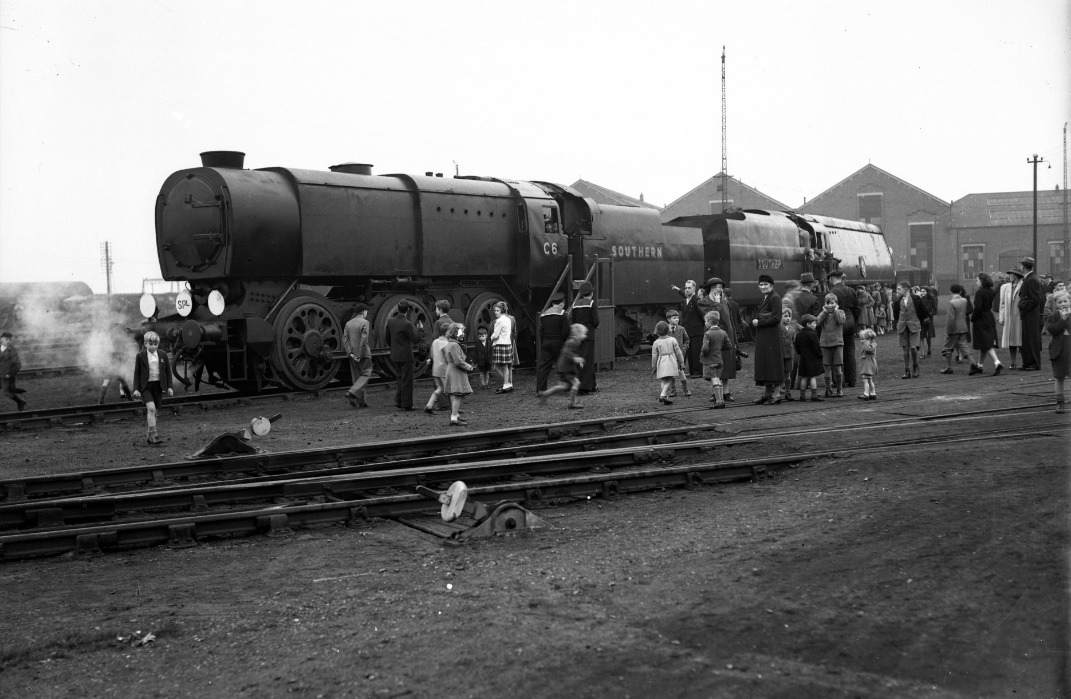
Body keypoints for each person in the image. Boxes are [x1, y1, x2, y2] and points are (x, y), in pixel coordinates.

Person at [132, 331, 173, 444]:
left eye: (155, 344)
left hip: (158, 386)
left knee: (155, 412)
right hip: (145, 386)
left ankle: (149, 436)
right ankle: (154, 434)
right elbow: (137, 373)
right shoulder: (140, 356)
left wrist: (169, 387)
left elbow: (168, 372)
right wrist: (135, 388)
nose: (153, 347)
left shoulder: (163, 354)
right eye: (151, 344)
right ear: (145, 344)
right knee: (151, 408)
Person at [702, 278, 738, 401]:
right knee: (714, 364)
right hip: (713, 337)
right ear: (711, 288)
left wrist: (735, 341)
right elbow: (712, 317)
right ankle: (715, 392)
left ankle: (726, 392)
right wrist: (717, 303)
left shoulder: (725, 302)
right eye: (718, 286)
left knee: (726, 364)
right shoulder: (703, 302)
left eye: (721, 287)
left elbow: (731, 321)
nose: (721, 289)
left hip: (727, 336)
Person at [751, 274, 785, 404]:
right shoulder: (767, 297)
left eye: (766, 284)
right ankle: (767, 394)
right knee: (767, 364)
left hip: (771, 337)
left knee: (773, 365)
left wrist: (760, 322)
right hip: (766, 337)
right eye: (761, 284)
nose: (763, 287)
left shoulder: (775, 298)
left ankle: (776, 395)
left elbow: (777, 318)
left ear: (771, 286)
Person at [386, 300, 425, 410]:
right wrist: (421, 329)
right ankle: (407, 405)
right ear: (408, 310)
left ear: (398, 309)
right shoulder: (407, 323)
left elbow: (387, 339)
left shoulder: (390, 321)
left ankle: (399, 401)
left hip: (395, 355)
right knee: (407, 380)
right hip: (406, 355)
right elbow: (416, 339)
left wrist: (394, 347)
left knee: (399, 378)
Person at [538, 323, 586, 409]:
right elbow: (567, 352)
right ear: (577, 334)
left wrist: (576, 359)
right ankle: (572, 403)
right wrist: (576, 359)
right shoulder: (572, 342)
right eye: (583, 334)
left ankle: (545, 394)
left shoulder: (574, 341)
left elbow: (569, 353)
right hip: (566, 368)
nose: (585, 336)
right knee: (576, 383)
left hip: (563, 367)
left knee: (563, 386)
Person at [827, 269, 859, 386]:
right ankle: (852, 380)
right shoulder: (851, 290)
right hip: (850, 321)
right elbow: (857, 309)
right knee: (850, 351)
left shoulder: (832, 292)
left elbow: (829, 310)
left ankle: (838, 380)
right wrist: (852, 320)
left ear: (831, 279)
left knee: (837, 352)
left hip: (838, 322)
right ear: (841, 278)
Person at [893, 281, 930, 379]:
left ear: (905, 289)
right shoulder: (897, 302)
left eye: (899, 289)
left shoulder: (916, 299)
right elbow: (896, 315)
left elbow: (925, 312)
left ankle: (915, 366)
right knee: (905, 349)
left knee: (913, 347)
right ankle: (907, 371)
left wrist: (918, 321)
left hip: (914, 326)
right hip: (902, 326)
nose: (897, 291)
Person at [939, 284, 977, 375]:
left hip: (953, 329)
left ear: (950, 291)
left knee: (947, 347)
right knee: (963, 346)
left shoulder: (951, 303)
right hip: (963, 326)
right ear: (960, 291)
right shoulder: (964, 300)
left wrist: (948, 331)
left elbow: (950, 319)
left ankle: (949, 367)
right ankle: (973, 363)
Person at [670, 279, 705, 377]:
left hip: (697, 330)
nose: (687, 290)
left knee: (696, 352)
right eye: (685, 288)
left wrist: (701, 326)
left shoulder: (697, 300)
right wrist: (678, 289)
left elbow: (702, 315)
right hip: (688, 330)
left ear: (694, 288)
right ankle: (693, 371)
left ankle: (698, 372)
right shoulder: (686, 300)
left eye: (689, 288)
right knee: (690, 353)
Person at [441, 324, 474, 426]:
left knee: (453, 394)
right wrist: (469, 366)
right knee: (458, 395)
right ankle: (454, 417)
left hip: (451, 370)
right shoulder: (455, 345)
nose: (463, 333)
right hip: (456, 371)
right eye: (461, 331)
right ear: (456, 333)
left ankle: (455, 414)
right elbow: (458, 361)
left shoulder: (449, 344)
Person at [536, 293, 569, 393]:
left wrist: (543, 343)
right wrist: (563, 342)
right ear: (562, 303)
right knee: (563, 364)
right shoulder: (562, 314)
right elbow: (566, 331)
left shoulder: (544, 314)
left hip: (546, 342)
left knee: (543, 367)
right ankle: (564, 387)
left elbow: (541, 331)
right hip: (558, 342)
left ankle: (540, 389)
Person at [971, 272, 1003, 375]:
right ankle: (980, 366)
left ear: (981, 281)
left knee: (986, 343)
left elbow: (978, 308)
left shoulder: (980, 292)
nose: (976, 281)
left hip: (981, 319)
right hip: (989, 317)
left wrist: (973, 318)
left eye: (977, 280)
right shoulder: (991, 291)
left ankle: (997, 362)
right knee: (985, 343)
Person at [570, 282, 599, 392]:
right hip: (589, 335)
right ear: (591, 293)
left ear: (582, 294)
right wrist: (595, 325)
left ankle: (592, 384)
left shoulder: (575, 304)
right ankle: (584, 386)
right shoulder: (592, 303)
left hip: (578, 335)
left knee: (581, 359)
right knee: (588, 360)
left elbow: (574, 321)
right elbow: (596, 321)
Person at [1045, 291, 1071, 413]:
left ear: (1069, 301)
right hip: (1058, 349)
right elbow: (1052, 330)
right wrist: (1063, 319)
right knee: (1059, 377)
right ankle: (1060, 402)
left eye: (1065, 301)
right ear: (1056, 304)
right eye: (1060, 302)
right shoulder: (1052, 317)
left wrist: (1067, 317)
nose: (1063, 304)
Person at [816, 293, 846, 397]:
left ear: (836, 304)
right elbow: (817, 322)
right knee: (826, 367)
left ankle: (839, 388)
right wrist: (824, 312)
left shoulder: (840, 312)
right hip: (825, 344)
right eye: (827, 303)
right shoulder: (823, 313)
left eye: (832, 303)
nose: (829, 305)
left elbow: (841, 321)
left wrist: (836, 310)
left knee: (837, 368)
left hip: (837, 343)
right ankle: (828, 389)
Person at [342, 303, 372, 408]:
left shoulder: (348, 323)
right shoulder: (365, 322)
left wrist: (350, 353)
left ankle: (361, 402)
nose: (367, 313)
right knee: (366, 374)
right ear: (363, 311)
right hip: (363, 354)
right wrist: (360, 354)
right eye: (366, 311)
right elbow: (364, 340)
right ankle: (352, 392)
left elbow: (345, 339)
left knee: (357, 378)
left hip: (352, 354)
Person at [701, 310, 731, 408]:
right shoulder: (723, 332)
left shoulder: (708, 334)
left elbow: (705, 348)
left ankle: (718, 401)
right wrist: (719, 348)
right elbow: (729, 345)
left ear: (709, 321)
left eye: (705, 321)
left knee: (714, 380)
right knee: (718, 379)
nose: (705, 323)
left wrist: (703, 354)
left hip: (710, 361)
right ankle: (721, 399)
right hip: (719, 360)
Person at [651, 320, 685, 405]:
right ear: (668, 330)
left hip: (661, 361)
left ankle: (665, 396)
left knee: (663, 379)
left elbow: (654, 356)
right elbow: (678, 352)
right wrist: (681, 362)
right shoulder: (673, 340)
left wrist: (654, 366)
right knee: (670, 379)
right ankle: (663, 395)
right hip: (671, 361)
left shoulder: (656, 342)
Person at [1017, 257, 1043, 371]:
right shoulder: (1029, 278)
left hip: (1031, 314)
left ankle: (1034, 363)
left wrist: (1023, 307)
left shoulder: (1032, 279)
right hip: (1028, 314)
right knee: (1027, 339)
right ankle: (1027, 363)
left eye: (1021, 265)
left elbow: (1035, 299)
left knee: (1031, 339)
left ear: (1023, 266)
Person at [793, 314, 825, 402]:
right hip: (812, 359)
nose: (816, 325)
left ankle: (802, 396)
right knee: (812, 377)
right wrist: (820, 355)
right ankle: (814, 396)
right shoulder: (813, 334)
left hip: (803, 358)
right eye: (814, 323)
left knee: (804, 377)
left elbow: (797, 347)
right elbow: (817, 348)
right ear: (808, 324)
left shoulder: (799, 334)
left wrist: (801, 353)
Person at [423, 320, 451, 414]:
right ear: (447, 332)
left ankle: (429, 405)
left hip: (435, 370)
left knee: (439, 388)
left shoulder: (435, 342)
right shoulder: (446, 343)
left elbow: (431, 354)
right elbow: (448, 357)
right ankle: (455, 409)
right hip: (444, 369)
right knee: (450, 389)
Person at [999, 269, 1023, 369]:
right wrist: (1002, 317)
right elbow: (1002, 304)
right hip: (1009, 317)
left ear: (1016, 276)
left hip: (1020, 317)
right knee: (1011, 341)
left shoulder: (1023, 286)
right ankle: (1013, 362)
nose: (1009, 276)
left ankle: (1023, 361)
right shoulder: (1005, 287)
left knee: (1021, 340)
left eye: (1011, 274)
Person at [665, 309, 691, 397]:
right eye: (674, 318)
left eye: (677, 318)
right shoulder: (665, 329)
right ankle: (673, 390)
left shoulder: (681, 329)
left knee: (681, 372)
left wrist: (684, 348)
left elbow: (687, 339)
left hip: (679, 354)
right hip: (669, 354)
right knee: (671, 373)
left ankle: (686, 389)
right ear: (668, 319)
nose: (677, 320)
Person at [490, 301, 515, 393]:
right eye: (495, 310)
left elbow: (495, 335)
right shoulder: (508, 319)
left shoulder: (499, 320)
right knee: (504, 366)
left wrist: (491, 337)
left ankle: (506, 384)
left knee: (497, 367)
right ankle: (507, 384)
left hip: (500, 344)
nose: (495, 312)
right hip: (507, 343)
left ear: (502, 310)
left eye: (497, 310)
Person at [0, 331, 26, 411]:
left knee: (5, 392)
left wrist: (10, 374)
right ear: (1, 339)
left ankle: (20, 402)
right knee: (9, 390)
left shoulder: (12, 350)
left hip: (6, 375)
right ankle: (15, 391)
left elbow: (18, 364)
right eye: (6, 339)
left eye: (10, 340)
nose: (8, 341)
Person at [779, 307, 801, 402]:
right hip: (780, 354)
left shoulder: (792, 329)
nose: (788, 318)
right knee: (779, 374)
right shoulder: (778, 327)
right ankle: (778, 391)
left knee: (788, 374)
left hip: (789, 354)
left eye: (789, 316)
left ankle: (788, 392)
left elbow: (793, 340)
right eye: (785, 316)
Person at [857, 328, 878, 400]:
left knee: (865, 380)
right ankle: (872, 393)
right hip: (868, 364)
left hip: (868, 365)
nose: (861, 341)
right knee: (869, 380)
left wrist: (866, 341)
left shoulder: (871, 345)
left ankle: (866, 393)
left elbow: (867, 349)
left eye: (863, 339)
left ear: (868, 339)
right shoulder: (871, 345)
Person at [918, 287, 937, 359]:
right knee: (922, 335)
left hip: (929, 319)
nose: (922, 292)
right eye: (921, 291)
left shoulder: (932, 299)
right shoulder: (920, 299)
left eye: (923, 291)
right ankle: (922, 353)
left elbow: (935, 310)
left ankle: (929, 349)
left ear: (927, 292)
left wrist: (929, 316)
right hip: (921, 319)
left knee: (928, 336)